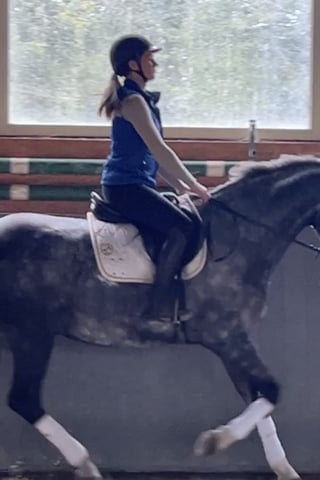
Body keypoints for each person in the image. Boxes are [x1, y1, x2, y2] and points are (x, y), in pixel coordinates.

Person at [98, 34, 212, 329]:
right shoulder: (134, 101)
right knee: (182, 228)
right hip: (125, 188)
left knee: (190, 222)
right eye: (150, 59)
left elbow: (153, 156)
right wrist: (195, 184)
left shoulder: (139, 100)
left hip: (138, 184)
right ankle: (157, 304)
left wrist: (179, 185)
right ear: (134, 65)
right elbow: (161, 148)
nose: (155, 64)